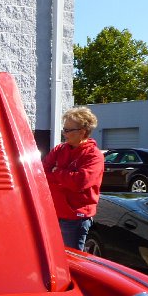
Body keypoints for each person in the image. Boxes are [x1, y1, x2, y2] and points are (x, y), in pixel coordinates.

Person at [43, 106, 105, 250]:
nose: (64, 133)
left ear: (82, 132)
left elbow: (79, 182)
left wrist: (56, 171)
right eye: (64, 129)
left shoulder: (94, 156)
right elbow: (42, 173)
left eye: (67, 130)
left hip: (75, 218)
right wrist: (65, 176)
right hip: (54, 213)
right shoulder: (59, 150)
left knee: (71, 258)